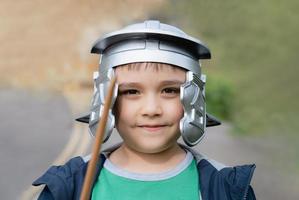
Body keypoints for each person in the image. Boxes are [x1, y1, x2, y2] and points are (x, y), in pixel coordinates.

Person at [33, 20, 256, 200]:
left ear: (194, 98)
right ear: (106, 101)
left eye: (169, 90)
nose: (151, 109)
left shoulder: (228, 189)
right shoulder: (68, 185)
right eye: (131, 92)